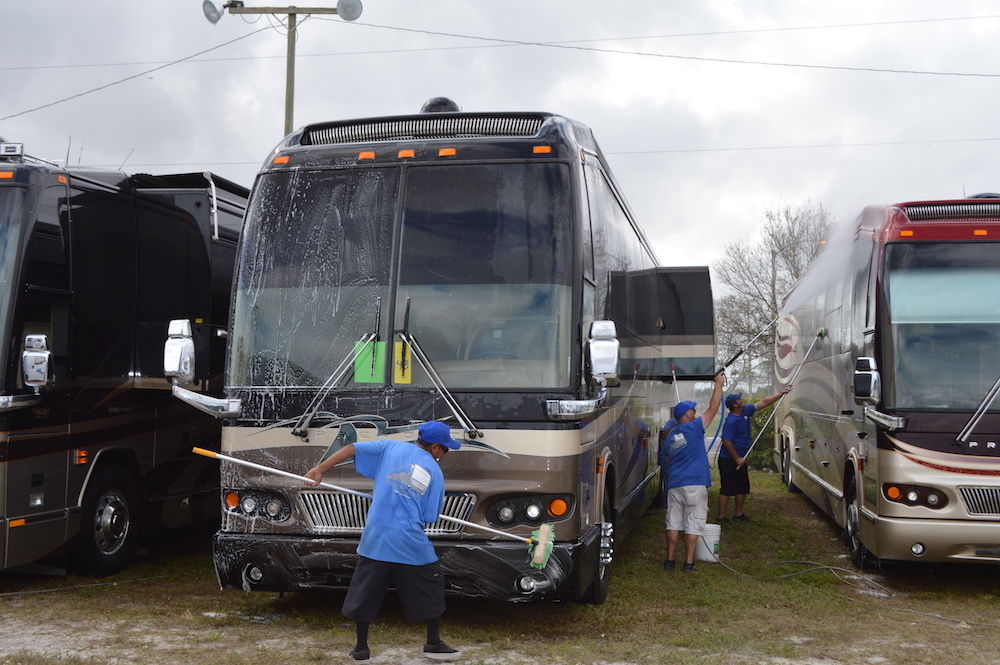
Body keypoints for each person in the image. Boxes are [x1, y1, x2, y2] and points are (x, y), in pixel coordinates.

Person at [304, 420, 462, 662]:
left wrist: (320, 469)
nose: (444, 454)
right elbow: (429, 516)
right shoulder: (434, 472)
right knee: (432, 586)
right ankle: (433, 643)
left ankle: (361, 650)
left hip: (375, 538)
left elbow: (352, 448)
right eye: (446, 449)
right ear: (435, 448)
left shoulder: (390, 447)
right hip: (409, 542)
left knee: (366, 593)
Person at [660, 372, 725, 573]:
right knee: (693, 523)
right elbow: (714, 408)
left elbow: (666, 460)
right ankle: (688, 563)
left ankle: (669, 561)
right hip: (695, 485)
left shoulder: (670, 436)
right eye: (693, 410)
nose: (696, 413)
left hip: (675, 485)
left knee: (673, 522)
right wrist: (718, 384)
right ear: (687, 414)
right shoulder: (694, 428)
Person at [717, 385, 793, 524]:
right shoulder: (732, 420)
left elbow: (763, 403)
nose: (742, 399)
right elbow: (726, 441)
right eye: (739, 399)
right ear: (735, 405)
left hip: (741, 459)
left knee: (743, 487)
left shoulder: (745, 410)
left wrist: (781, 394)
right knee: (727, 488)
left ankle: (738, 514)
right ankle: (721, 517)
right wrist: (737, 458)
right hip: (729, 459)